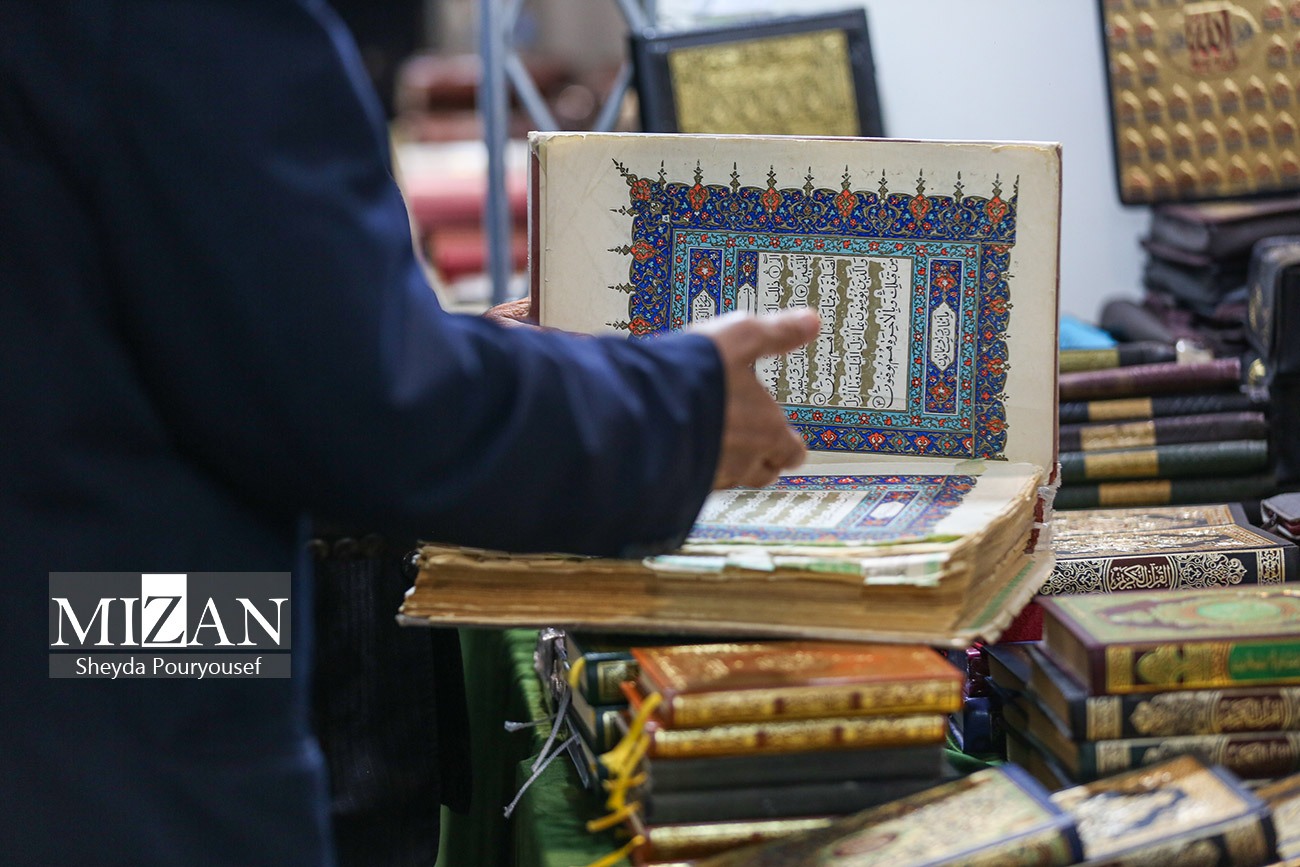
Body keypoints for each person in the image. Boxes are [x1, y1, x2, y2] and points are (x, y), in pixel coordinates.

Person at [0, 2, 818, 865]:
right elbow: (357, 397)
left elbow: (208, 328)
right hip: (111, 688)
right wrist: (677, 411)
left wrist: (443, 349)